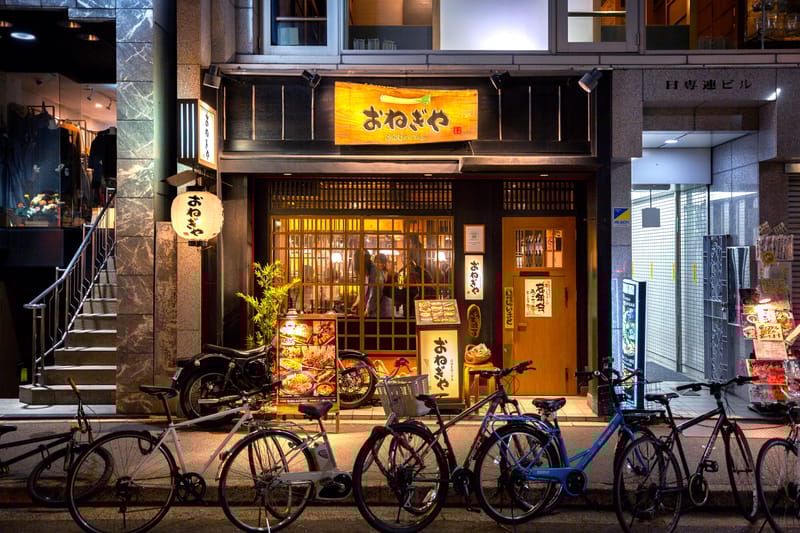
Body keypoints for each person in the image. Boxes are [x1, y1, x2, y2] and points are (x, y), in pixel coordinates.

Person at [351, 250, 378, 317]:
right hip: (371, 308)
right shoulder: (365, 270)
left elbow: (374, 293)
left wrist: (367, 309)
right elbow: (362, 288)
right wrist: (357, 302)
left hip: (378, 310)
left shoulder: (374, 271)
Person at [375, 253, 394, 317]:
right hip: (377, 300)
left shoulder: (388, 273)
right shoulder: (375, 273)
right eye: (376, 262)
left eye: (381, 262)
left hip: (386, 300)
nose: (378, 264)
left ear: (384, 263)